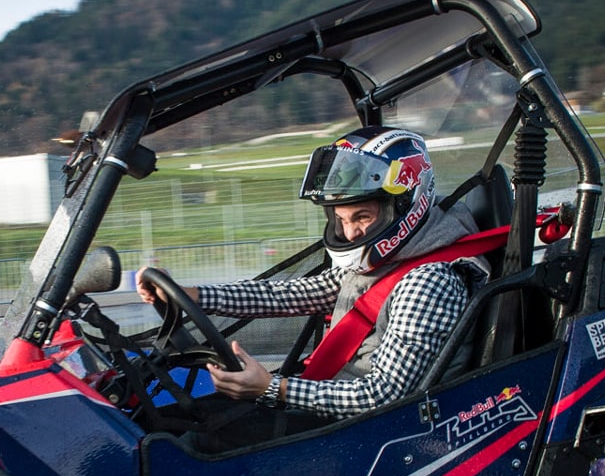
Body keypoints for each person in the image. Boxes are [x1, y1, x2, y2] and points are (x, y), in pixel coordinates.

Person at [137, 126, 496, 449]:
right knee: (168, 421)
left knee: (190, 445)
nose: (350, 233)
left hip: (364, 435)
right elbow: (294, 294)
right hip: (333, 408)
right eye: (341, 219)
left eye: (362, 217)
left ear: (404, 205)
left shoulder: (429, 281)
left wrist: (272, 389)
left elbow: (382, 397)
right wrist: (196, 296)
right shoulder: (393, 259)